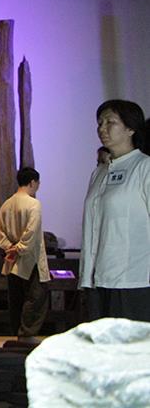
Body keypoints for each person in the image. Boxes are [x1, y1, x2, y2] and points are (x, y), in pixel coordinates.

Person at [80, 100, 150, 322]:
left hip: (133, 279)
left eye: (110, 122)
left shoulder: (144, 167)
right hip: (97, 279)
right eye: (100, 123)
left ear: (131, 129)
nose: (102, 128)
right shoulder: (99, 172)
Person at [0, 167, 49, 342]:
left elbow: (1, 233)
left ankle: (18, 333)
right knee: (35, 297)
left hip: (12, 259)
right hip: (30, 258)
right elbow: (31, 232)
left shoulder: (6, 204)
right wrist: (20, 247)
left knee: (16, 297)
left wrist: (10, 247)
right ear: (32, 182)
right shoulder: (34, 204)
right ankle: (27, 333)